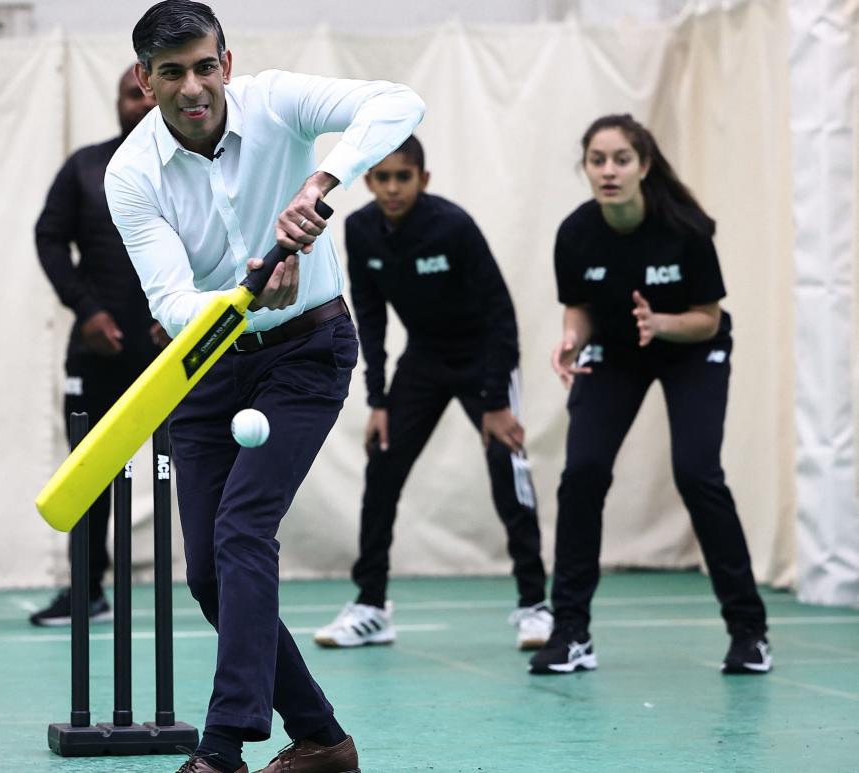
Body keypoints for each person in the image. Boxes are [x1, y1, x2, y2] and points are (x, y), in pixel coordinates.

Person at [105, 3, 424, 771]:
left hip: (307, 348)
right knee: (212, 578)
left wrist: (320, 181)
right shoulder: (131, 174)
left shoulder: (278, 99)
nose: (193, 86)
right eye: (172, 72)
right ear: (146, 81)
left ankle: (221, 747)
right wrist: (242, 294)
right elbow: (173, 303)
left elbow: (398, 103)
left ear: (228, 63)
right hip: (210, 360)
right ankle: (321, 738)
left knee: (243, 528)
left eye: (205, 66)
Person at [531, 114, 770, 676]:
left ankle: (749, 631)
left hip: (691, 349)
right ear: (586, 168)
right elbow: (580, 307)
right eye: (597, 160)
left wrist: (660, 323)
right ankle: (570, 633)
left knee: (697, 473)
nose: (608, 171)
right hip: (616, 352)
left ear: (644, 166)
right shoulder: (575, 233)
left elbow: (709, 320)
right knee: (582, 472)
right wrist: (571, 339)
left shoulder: (685, 228)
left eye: (620, 159)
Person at [313, 136, 551, 652]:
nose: (393, 187)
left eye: (404, 177)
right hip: (423, 361)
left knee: (507, 473)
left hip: (484, 359)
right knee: (382, 470)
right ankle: (372, 607)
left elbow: (500, 315)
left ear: (424, 179)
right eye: (382, 178)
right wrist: (377, 400)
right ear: (369, 182)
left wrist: (496, 403)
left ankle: (535, 605)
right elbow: (370, 319)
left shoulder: (453, 226)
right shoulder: (359, 230)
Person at [29, 65, 164, 627]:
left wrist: (181, 315)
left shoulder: (190, 167)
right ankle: (87, 590)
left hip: (174, 353)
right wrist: (86, 311)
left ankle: (224, 581)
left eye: (145, 95)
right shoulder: (86, 167)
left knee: (203, 465)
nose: (138, 104)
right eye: (129, 95)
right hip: (97, 351)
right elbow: (49, 238)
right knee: (89, 470)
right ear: (117, 103)